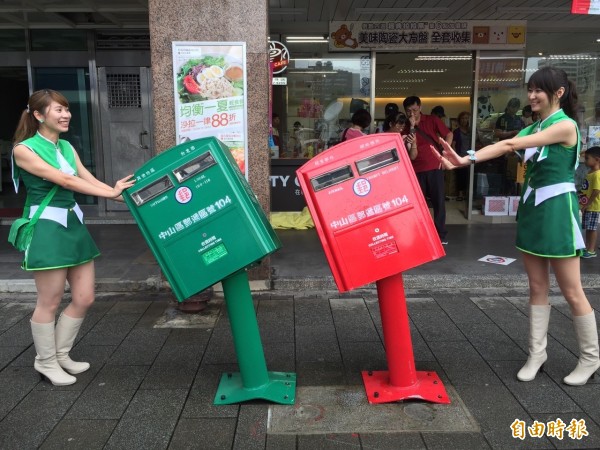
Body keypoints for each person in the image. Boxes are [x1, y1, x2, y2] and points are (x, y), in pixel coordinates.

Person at [435, 66, 600, 386]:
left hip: (557, 212)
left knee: (571, 290)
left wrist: (464, 159)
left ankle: (591, 358)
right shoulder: (534, 126)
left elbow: (510, 146)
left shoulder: (564, 126)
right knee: (537, 287)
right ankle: (537, 353)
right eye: (530, 89)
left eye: (538, 90)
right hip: (533, 209)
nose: (532, 95)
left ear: (559, 93)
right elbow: (503, 144)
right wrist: (464, 159)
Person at [11, 89, 136, 386]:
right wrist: (111, 192)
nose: (66, 114)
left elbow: (87, 179)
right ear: (39, 116)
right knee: (49, 301)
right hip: (46, 228)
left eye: (66, 109)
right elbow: (66, 180)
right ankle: (45, 361)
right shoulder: (23, 150)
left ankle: (61, 354)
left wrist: (127, 197)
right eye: (58, 110)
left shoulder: (66, 146)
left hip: (72, 224)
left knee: (84, 297)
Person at [403, 96, 453, 244]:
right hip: (415, 169)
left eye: (415, 110)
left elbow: (448, 134)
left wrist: (445, 153)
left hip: (434, 165)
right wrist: (411, 125)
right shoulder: (405, 125)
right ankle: (420, 232)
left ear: (420, 107)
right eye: (408, 111)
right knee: (418, 203)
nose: (412, 113)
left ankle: (440, 234)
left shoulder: (431, 120)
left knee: (438, 201)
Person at [580, 146, 600, 258]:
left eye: (587, 158)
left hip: (592, 206)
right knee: (588, 228)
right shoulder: (591, 172)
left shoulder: (597, 174)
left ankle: (591, 250)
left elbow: (597, 191)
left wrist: (587, 204)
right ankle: (588, 248)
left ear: (597, 160)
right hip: (587, 206)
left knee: (591, 229)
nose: (585, 160)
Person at [452, 111, 472, 199]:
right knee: (461, 174)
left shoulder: (472, 130)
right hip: (460, 155)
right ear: (460, 120)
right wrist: (455, 155)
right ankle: (460, 193)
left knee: (469, 175)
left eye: (467, 118)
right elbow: (453, 144)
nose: (465, 120)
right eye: (463, 118)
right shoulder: (456, 131)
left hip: (470, 155)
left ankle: (468, 193)